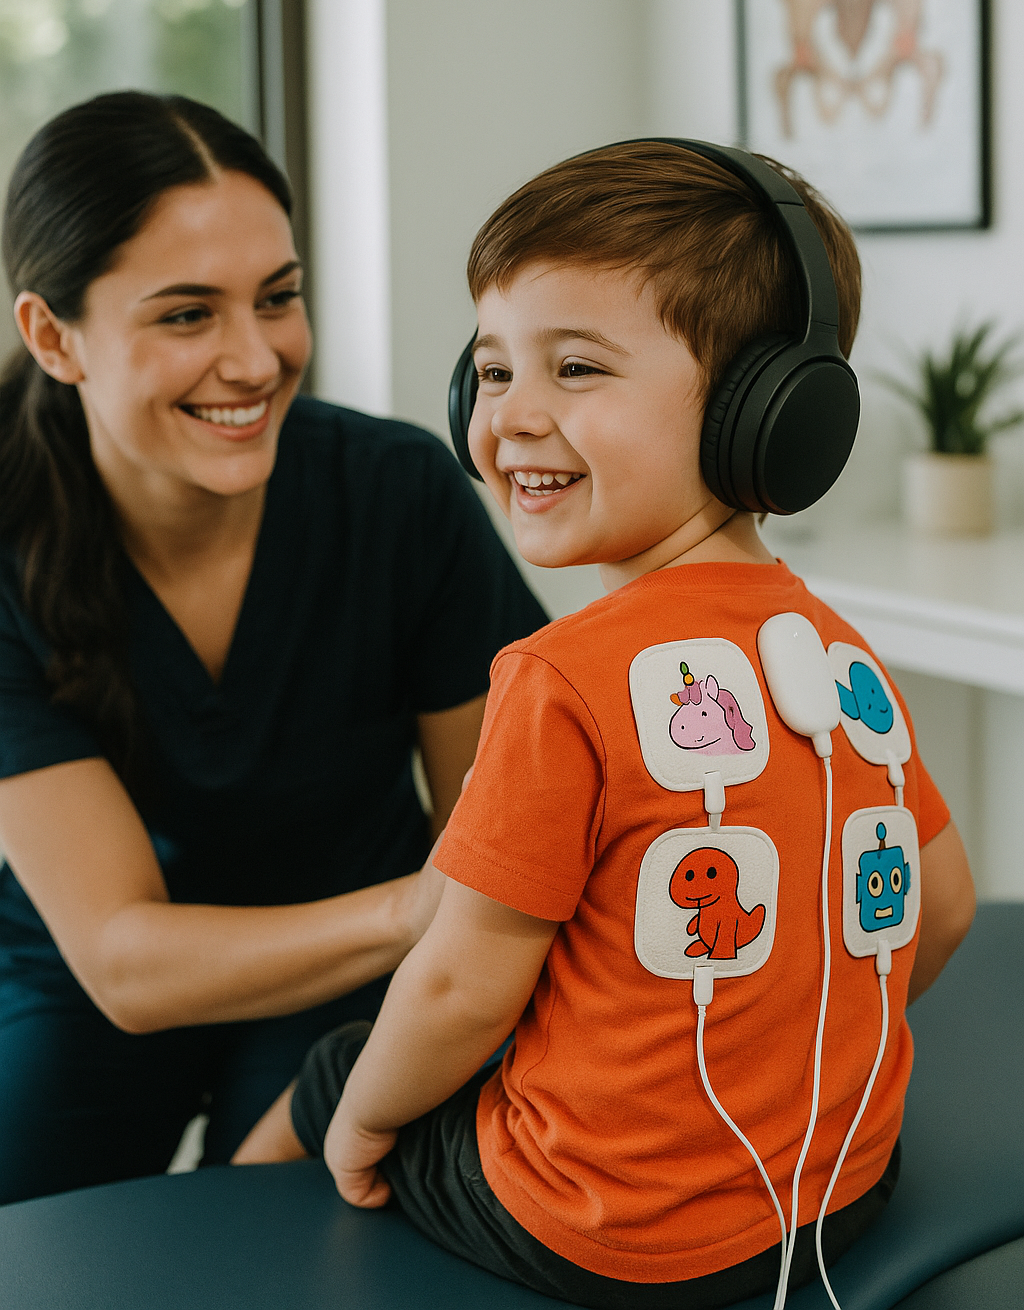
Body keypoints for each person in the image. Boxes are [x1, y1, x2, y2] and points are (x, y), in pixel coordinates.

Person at [235, 141, 976, 1309]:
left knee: (340, 1066)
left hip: (605, 1231)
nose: (511, 416)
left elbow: (456, 991)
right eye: (491, 371)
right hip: (838, 1186)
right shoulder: (837, 656)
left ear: (758, 413)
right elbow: (941, 906)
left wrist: (365, 1128)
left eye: (575, 368)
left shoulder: (558, 679)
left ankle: (219, 1251)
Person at [0, 90, 546, 1206]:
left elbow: (502, 819)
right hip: (91, 977)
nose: (255, 360)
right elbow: (123, 961)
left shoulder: (398, 495)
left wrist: (431, 948)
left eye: (278, 298)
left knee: (296, 1231)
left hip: (354, 973)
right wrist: (424, 906)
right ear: (54, 337)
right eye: (186, 315)